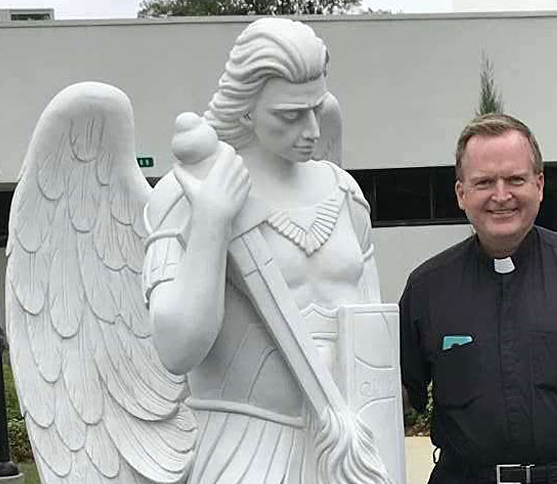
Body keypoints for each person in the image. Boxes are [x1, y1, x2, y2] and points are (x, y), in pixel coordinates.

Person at [144, 18, 395, 484]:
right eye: (290, 115)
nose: (313, 130)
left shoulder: (344, 192)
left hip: (347, 441)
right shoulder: (187, 194)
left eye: (316, 109)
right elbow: (176, 348)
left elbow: (372, 336)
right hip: (242, 447)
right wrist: (212, 223)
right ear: (245, 110)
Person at [399, 113, 557, 484]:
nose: (501, 195)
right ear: (461, 194)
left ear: (539, 185)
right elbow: (395, 395)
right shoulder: (427, 287)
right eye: (484, 182)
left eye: (516, 179)